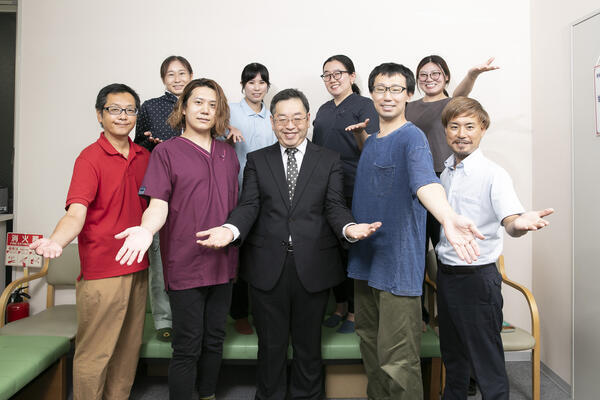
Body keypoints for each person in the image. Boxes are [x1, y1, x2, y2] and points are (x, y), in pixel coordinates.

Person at [196, 88, 381, 400]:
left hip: (313, 266)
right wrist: (230, 229)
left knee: (309, 346)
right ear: (272, 122)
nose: (290, 125)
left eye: (297, 118)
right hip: (267, 267)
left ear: (308, 120)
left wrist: (349, 228)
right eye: (282, 119)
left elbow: (334, 207)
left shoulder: (329, 160)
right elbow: (249, 205)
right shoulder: (257, 160)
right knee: (270, 346)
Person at [345, 63, 484, 400]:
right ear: (372, 94)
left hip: (398, 266)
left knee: (397, 360)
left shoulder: (413, 138)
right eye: (380, 88)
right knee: (370, 347)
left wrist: (447, 216)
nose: (387, 96)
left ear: (409, 94)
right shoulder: (373, 141)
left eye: (396, 89)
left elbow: (425, 182)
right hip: (365, 262)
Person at [115, 78, 239, 400]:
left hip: (223, 264)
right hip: (185, 264)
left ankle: (208, 394)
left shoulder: (228, 154)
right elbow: (158, 205)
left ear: (219, 112)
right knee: (187, 344)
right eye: (198, 102)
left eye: (212, 105)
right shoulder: (166, 152)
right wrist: (146, 229)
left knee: (214, 339)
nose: (205, 110)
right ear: (183, 107)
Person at [30, 83, 150, 400]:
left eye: (130, 110)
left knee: (127, 352)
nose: (123, 116)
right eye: (114, 109)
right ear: (99, 115)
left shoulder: (143, 156)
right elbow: (75, 213)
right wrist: (56, 240)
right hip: (102, 273)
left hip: (138, 267)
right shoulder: (90, 158)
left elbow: (156, 209)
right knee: (95, 354)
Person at [436, 96, 553, 399]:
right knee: (454, 357)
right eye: (454, 126)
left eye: (470, 126)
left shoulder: (493, 174)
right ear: (445, 131)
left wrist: (520, 224)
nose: (462, 133)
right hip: (447, 276)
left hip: (477, 279)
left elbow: (511, 222)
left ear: (483, 129)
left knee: (486, 363)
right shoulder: (444, 172)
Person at [312, 54, 379, 333]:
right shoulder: (323, 110)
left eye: (338, 73)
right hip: (326, 187)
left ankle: (354, 311)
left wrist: (359, 135)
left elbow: (373, 150)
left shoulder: (365, 106)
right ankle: (339, 305)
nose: (332, 79)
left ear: (352, 76)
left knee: (351, 248)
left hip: (354, 187)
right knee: (330, 249)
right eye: (327, 74)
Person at [406, 55, 498, 249]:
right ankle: (420, 280)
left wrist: (472, 75)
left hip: (442, 177)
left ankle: (445, 278)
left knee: (444, 239)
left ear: (446, 77)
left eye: (435, 73)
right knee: (414, 244)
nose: (429, 78)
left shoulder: (452, 105)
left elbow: (461, 95)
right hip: (412, 178)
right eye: (423, 75)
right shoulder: (408, 107)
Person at [134, 55, 193, 342]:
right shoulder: (150, 107)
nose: (178, 79)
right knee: (158, 259)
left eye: (182, 73)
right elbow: (136, 147)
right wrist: (149, 143)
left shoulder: (200, 103)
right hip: (160, 191)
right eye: (171, 74)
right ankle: (163, 320)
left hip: (193, 191)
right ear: (163, 80)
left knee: (190, 258)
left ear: (191, 75)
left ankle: (189, 316)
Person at [228, 62, 277, 335]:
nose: (257, 87)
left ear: (267, 86)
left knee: (262, 257)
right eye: (251, 82)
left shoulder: (273, 116)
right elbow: (215, 124)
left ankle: (261, 311)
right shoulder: (231, 111)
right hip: (236, 196)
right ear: (243, 85)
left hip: (268, 197)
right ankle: (239, 314)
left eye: (261, 82)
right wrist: (227, 129)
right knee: (238, 255)